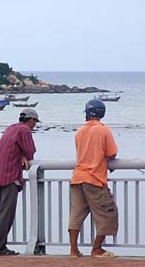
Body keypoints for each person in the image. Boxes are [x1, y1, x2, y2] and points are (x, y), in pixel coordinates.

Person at [0, 108, 39, 256]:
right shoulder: (25, 130)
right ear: (31, 120)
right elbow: (30, 152)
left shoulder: (10, 128)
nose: (35, 125)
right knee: (6, 213)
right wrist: (25, 155)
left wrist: (21, 154)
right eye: (35, 122)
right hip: (10, 175)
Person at [68, 99, 118, 258]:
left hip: (77, 178)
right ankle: (97, 249)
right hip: (94, 178)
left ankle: (73, 250)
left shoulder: (80, 131)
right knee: (108, 212)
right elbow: (112, 153)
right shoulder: (104, 130)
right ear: (102, 113)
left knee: (76, 214)